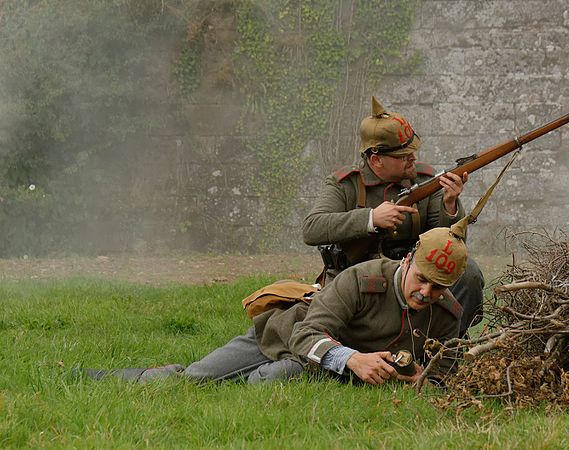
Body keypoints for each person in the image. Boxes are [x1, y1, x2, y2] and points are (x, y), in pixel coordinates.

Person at [85, 221, 470, 386]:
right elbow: (306, 332)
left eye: (439, 289)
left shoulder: (447, 313)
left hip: (319, 365)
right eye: (422, 280)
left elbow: (443, 370)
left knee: (270, 384)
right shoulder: (363, 278)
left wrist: (422, 379)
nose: (427, 294)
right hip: (284, 335)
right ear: (407, 261)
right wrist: (353, 359)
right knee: (197, 379)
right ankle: (118, 378)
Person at [302, 97, 484, 336]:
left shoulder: (423, 181)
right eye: (404, 156)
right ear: (376, 159)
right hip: (360, 278)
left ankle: (445, 344)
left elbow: (446, 242)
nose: (414, 159)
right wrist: (371, 218)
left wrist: (449, 205)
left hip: (415, 274)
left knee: (468, 273)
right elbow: (312, 228)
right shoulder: (344, 185)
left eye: (412, 153)